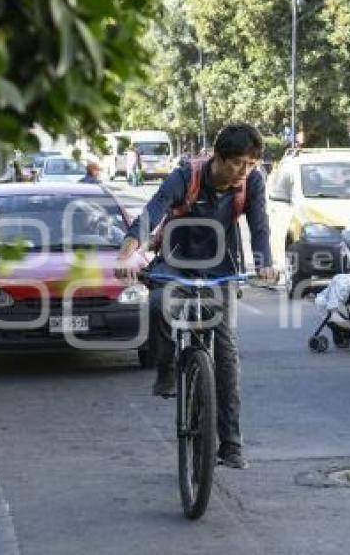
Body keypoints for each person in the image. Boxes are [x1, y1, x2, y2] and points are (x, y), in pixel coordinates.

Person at [115, 123, 277, 470]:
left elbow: (260, 227)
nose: (243, 171)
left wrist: (265, 264)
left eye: (250, 164)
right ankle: (167, 369)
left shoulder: (251, 182)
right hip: (175, 263)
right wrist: (127, 254)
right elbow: (151, 214)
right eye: (237, 163)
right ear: (217, 158)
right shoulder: (186, 176)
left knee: (227, 351)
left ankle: (231, 444)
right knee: (158, 304)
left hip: (221, 269)